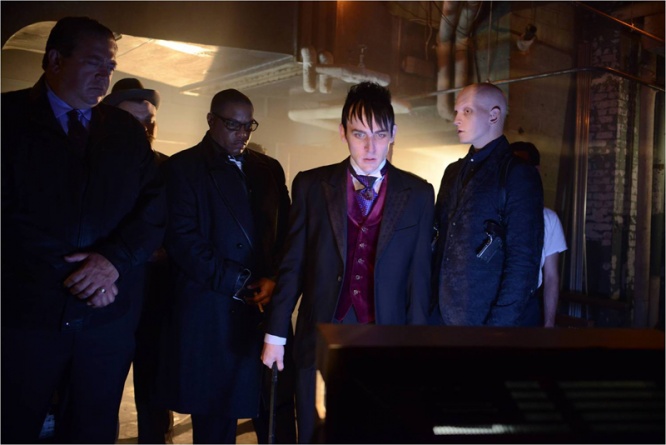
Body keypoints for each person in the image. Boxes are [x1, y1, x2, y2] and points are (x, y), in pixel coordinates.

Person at [1, 16, 166, 444]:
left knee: (92, 429)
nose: (104, 75)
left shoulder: (125, 132)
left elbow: (155, 209)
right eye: (94, 62)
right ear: (55, 60)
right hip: (26, 318)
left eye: (110, 66)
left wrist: (112, 262)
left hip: (105, 325)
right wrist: (83, 275)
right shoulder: (8, 119)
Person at [261, 81, 435, 443]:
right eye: (359, 134)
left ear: (393, 134)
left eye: (380, 135)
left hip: (384, 336)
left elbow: (419, 279)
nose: (370, 147)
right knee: (316, 433)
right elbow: (293, 264)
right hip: (321, 331)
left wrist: (417, 347)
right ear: (343, 133)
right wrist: (276, 333)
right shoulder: (311, 185)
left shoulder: (418, 193)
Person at [158, 89, 291, 444]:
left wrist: (275, 277)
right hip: (213, 309)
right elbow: (183, 240)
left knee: (275, 411)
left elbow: (287, 232)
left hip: (265, 306)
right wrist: (241, 282)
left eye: (249, 125)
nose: (243, 133)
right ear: (211, 120)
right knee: (215, 420)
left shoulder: (268, 169)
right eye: (233, 125)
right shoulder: (183, 168)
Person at [432, 82, 544, 326]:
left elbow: (523, 262)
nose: (456, 119)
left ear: (493, 115)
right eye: (457, 111)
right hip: (440, 319)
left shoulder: (518, 174)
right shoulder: (452, 172)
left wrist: (496, 331)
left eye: (467, 111)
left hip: (485, 324)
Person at [103, 78, 174, 443]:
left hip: (156, 305)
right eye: (135, 121)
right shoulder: (89, 167)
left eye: (150, 121)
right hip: (105, 304)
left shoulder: (168, 169)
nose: (145, 130)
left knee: (154, 401)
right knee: (97, 401)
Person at [511, 141, 568, 327]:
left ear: (535, 171)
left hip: (528, 306)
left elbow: (551, 277)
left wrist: (549, 324)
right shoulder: (494, 214)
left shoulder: (548, 219)